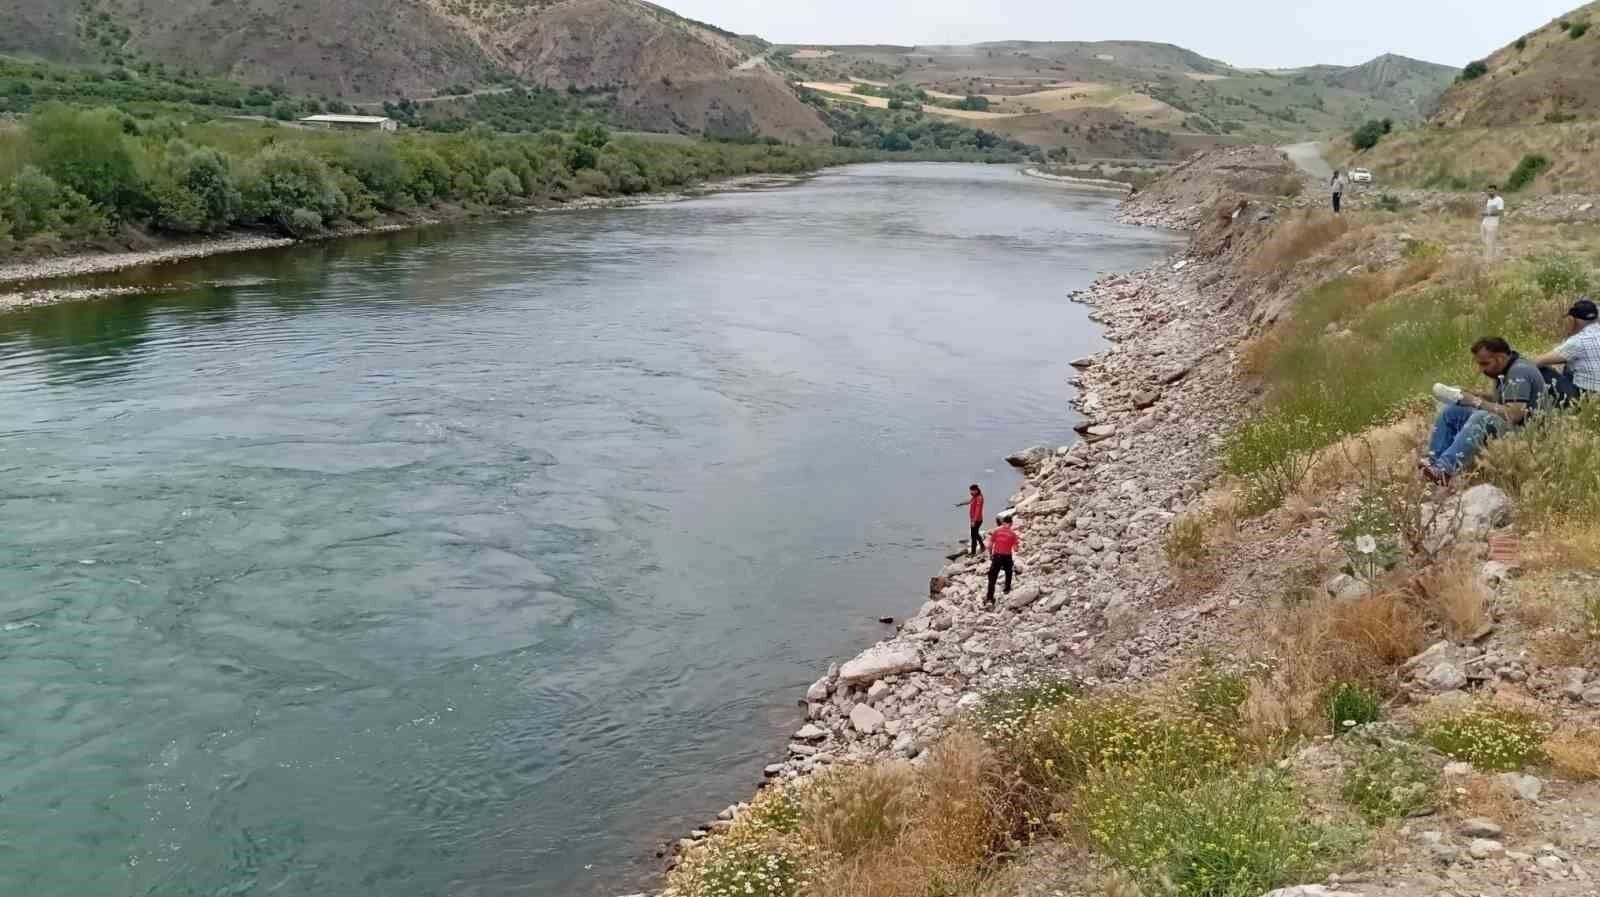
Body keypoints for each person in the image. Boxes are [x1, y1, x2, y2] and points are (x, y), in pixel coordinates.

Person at [1421, 337, 1543, 483]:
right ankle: (1433, 462)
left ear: (1500, 357)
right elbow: (1504, 400)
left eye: (1485, 364)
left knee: (1482, 417)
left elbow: (1514, 414)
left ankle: (1445, 470)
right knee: (1452, 411)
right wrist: (1473, 393)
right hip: (1515, 424)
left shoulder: (1519, 372)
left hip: (1529, 432)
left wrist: (1475, 401)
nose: (1482, 369)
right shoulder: (1508, 366)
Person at [1531, 298, 1600, 401]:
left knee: (1540, 370)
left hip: (1584, 396)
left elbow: (1537, 362)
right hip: (1595, 395)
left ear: (1575, 320)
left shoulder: (1578, 341)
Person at [985, 515, 1018, 608]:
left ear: (1003, 523)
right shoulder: (1013, 534)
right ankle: (1007, 589)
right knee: (1009, 571)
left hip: (997, 556)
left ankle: (990, 598)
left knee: (992, 577)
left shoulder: (996, 531)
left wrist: (991, 555)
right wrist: (1015, 545)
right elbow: (1016, 549)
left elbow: (990, 545)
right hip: (1007, 556)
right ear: (1011, 523)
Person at [956, 484, 985, 556]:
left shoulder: (979, 498)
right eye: (970, 491)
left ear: (976, 490)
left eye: (972, 491)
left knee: (973, 536)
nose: (971, 492)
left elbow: (978, 511)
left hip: (977, 520)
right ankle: (982, 546)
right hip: (975, 520)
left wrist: (973, 521)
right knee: (976, 534)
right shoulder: (975, 497)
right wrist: (961, 504)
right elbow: (969, 501)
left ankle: (973, 553)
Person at [1482, 186, 1505, 262]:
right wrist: (1485, 212)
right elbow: (1485, 210)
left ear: (1496, 191)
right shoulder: (1488, 200)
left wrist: (1489, 213)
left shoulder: (1499, 200)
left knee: (1491, 241)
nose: (1490, 192)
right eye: (1488, 191)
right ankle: (1486, 257)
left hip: (1493, 223)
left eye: (1492, 191)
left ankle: (1490, 260)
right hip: (1485, 222)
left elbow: (1500, 212)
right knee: (1484, 240)